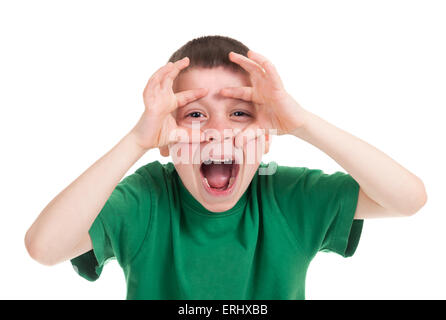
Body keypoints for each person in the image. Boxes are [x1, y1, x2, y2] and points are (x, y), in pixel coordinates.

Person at [25, 35, 427, 299]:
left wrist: (302, 123)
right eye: (195, 115)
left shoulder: (287, 198)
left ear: (265, 135)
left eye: (238, 113)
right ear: (167, 138)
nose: (218, 131)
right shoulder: (146, 200)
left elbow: (408, 199)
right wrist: (136, 140)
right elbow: (44, 248)